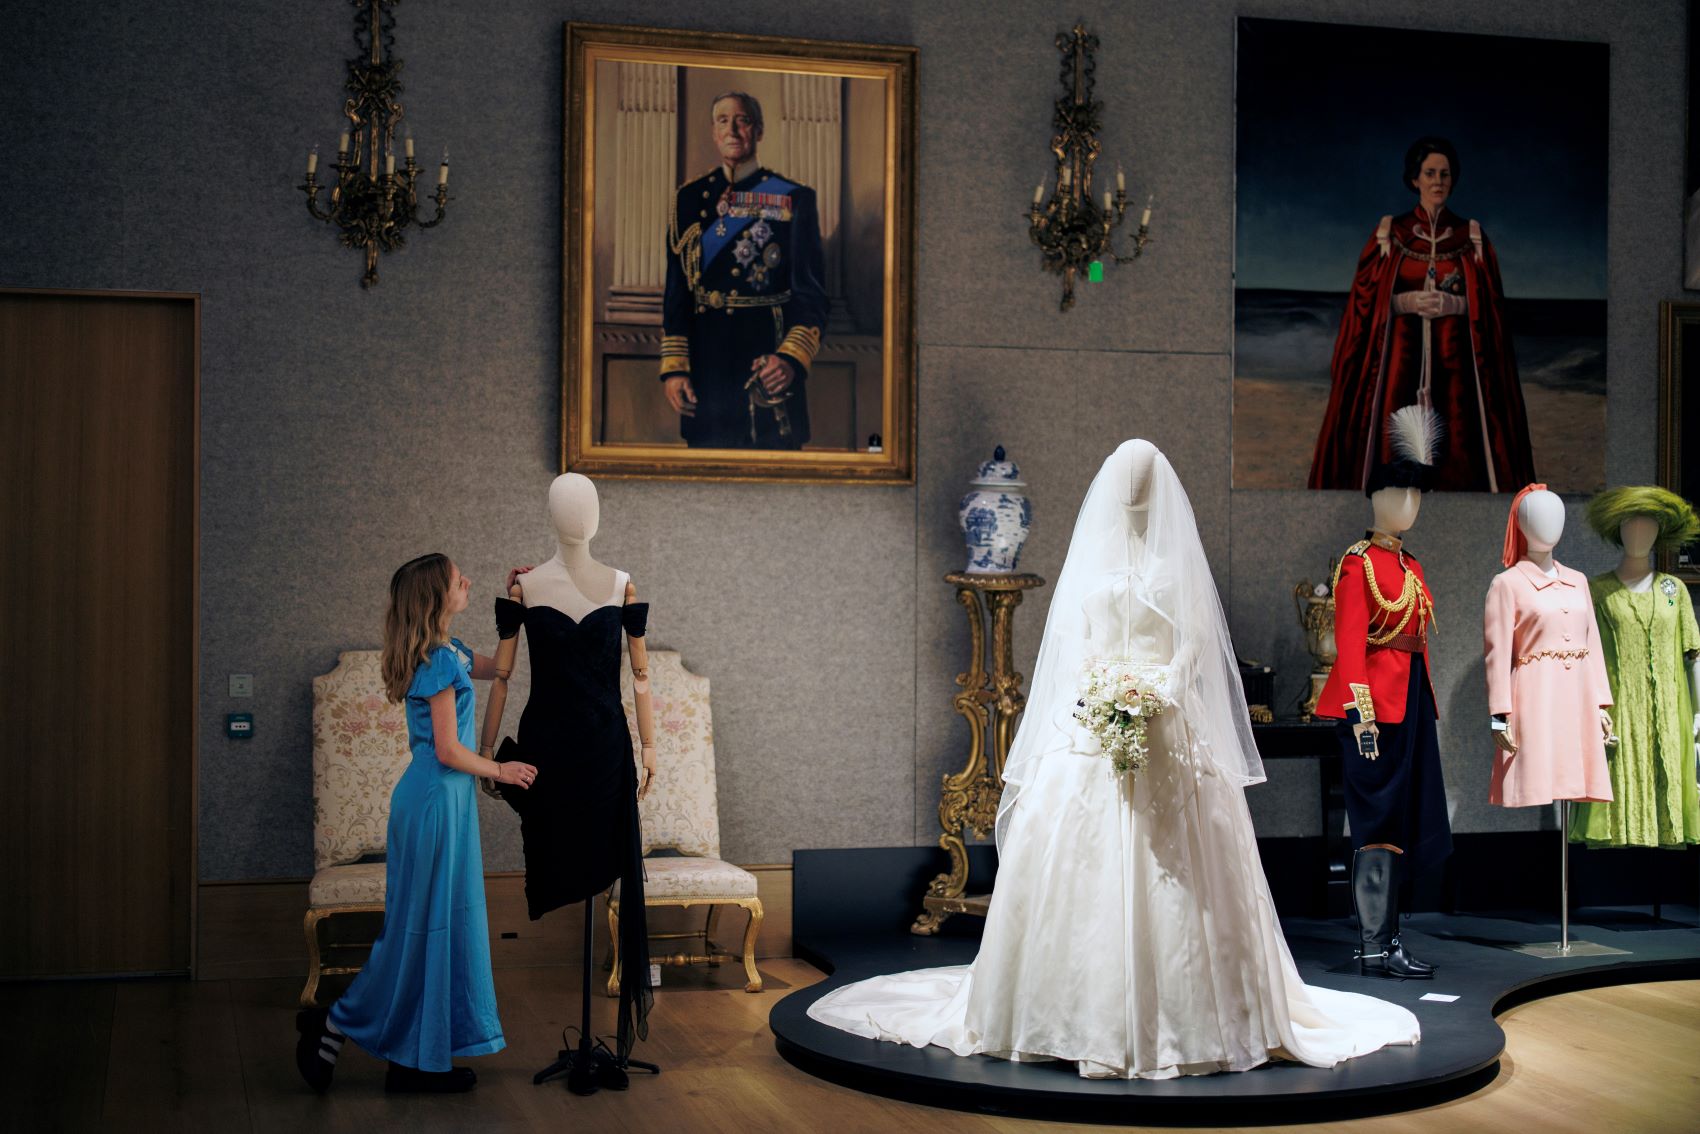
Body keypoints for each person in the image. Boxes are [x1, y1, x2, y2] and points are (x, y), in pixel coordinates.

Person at [808, 441, 1419, 1079]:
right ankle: (1062, 1016)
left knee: (1181, 868)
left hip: (1168, 723)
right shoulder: (1092, 561)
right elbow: (1075, 642)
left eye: (1140, 478)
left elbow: (1196, 639)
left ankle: (1188, 1019)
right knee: (1077, 858)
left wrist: (1166, 686)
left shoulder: (1177, 562)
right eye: (1124, 478)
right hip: (1096, 723)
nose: (1130, 488)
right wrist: (1099, 691)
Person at [294, 554, 538, 1094]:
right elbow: (448, 750)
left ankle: (413, 1061)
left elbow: (501, 668)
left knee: (434, 931)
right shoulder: (436, 661)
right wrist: (502, 770)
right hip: (433, 804)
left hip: (442, 804)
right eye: (457, 579)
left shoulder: (450, 651)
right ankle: (335, 1023)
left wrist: (517, 601)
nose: (466, 581)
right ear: (435, 598)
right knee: (419, 932)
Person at [1308, 136, 1535, 493]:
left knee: (1458, 436)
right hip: (1400, 359)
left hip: (1456, 365)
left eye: (1445, 174)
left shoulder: (1471, 236)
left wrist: (1456, 305)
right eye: (1430, 173)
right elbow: (1365, 302)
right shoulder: (1390, 233)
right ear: (1415, 179)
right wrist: (1404, 302)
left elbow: (1490, 309)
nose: (1438, 181)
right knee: (1394, 444)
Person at [660, 90, 828, 449]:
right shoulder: (688, 199)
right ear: (713, 132)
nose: (733, 130)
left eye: (743, 121)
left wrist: (790, 358)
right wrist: (675, 369)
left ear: (759, 130)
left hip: (766, 356)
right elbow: (677, 292)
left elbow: (810, 294)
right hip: (707, 365)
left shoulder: (793, 198)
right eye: (723, 121)